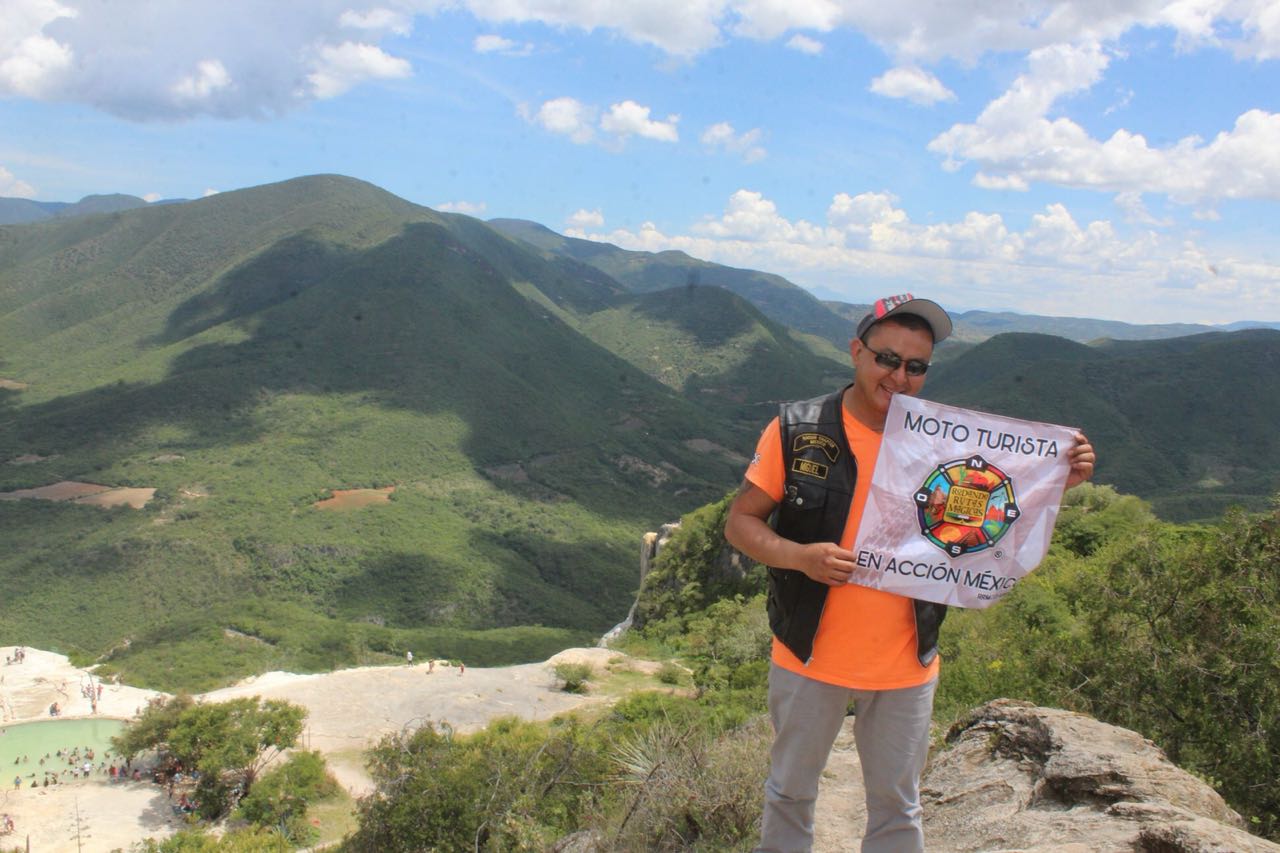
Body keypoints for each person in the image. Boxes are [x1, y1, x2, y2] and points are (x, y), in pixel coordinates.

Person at [724, 293, 1096, 853]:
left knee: (898, 809)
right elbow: (740, 524)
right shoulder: (797, 430)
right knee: (790, 794)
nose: (899, 376)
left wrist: (1049, 483)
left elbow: (987, 530)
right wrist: (800, 557)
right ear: (857, 352)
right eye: (887, 359)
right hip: (807, 654)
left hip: (906, 664)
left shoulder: (941, 444)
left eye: (915, 366)